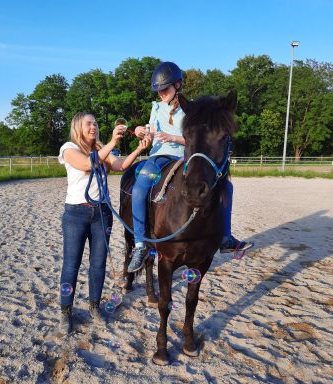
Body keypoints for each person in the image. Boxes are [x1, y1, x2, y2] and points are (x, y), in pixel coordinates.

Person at [127, 61, 253, 273]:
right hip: (159, 157)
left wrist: (172, 137)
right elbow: (151, 134)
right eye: (158, 90)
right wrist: (143, 133)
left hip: (184, 157)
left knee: (227, 187)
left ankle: (225, 237)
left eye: (164, 89)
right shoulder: (156, 107)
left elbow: (199, 139)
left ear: (177, 85)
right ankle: (140, 244)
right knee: (139, 188)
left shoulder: (193, 109)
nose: (160, 94)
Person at [58, 112, 151, 334]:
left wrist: (139, 149)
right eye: (88, 123)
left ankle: (94, 307)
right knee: (72, 263)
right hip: (76, 214)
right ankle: (65, 312)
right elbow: (87, 164)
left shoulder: (101, 148)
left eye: (95, 123)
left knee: (98, 263)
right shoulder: (68, 148)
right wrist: (111, 142)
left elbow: (120, 165)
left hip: (102, 214)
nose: (93, 126)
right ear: (78, 126)